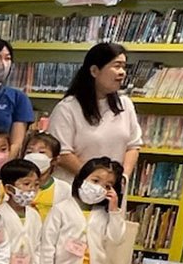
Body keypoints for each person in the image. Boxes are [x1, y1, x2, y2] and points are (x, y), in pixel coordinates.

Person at [47, 43, 141, 192]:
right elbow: (62, 154)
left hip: (111, 191)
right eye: (117, 66)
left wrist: (122, 178)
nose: (122, 72)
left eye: (124, 67)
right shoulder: (67, 108)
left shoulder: (125, 104)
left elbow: (133, 146)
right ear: (94, 71)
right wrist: (94, 180)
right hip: (76, 188)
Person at [0, 157, 46, 264]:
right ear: (9, 188)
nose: (32, 189)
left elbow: (38, 248)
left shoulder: (34, 215)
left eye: (36, 184)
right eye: (26, 184)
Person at [25, 130, 65, 217]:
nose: (34, 156)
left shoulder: (64, 189)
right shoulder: (14, 185)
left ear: (54, 160)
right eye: (29, 152)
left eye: (42, 152)